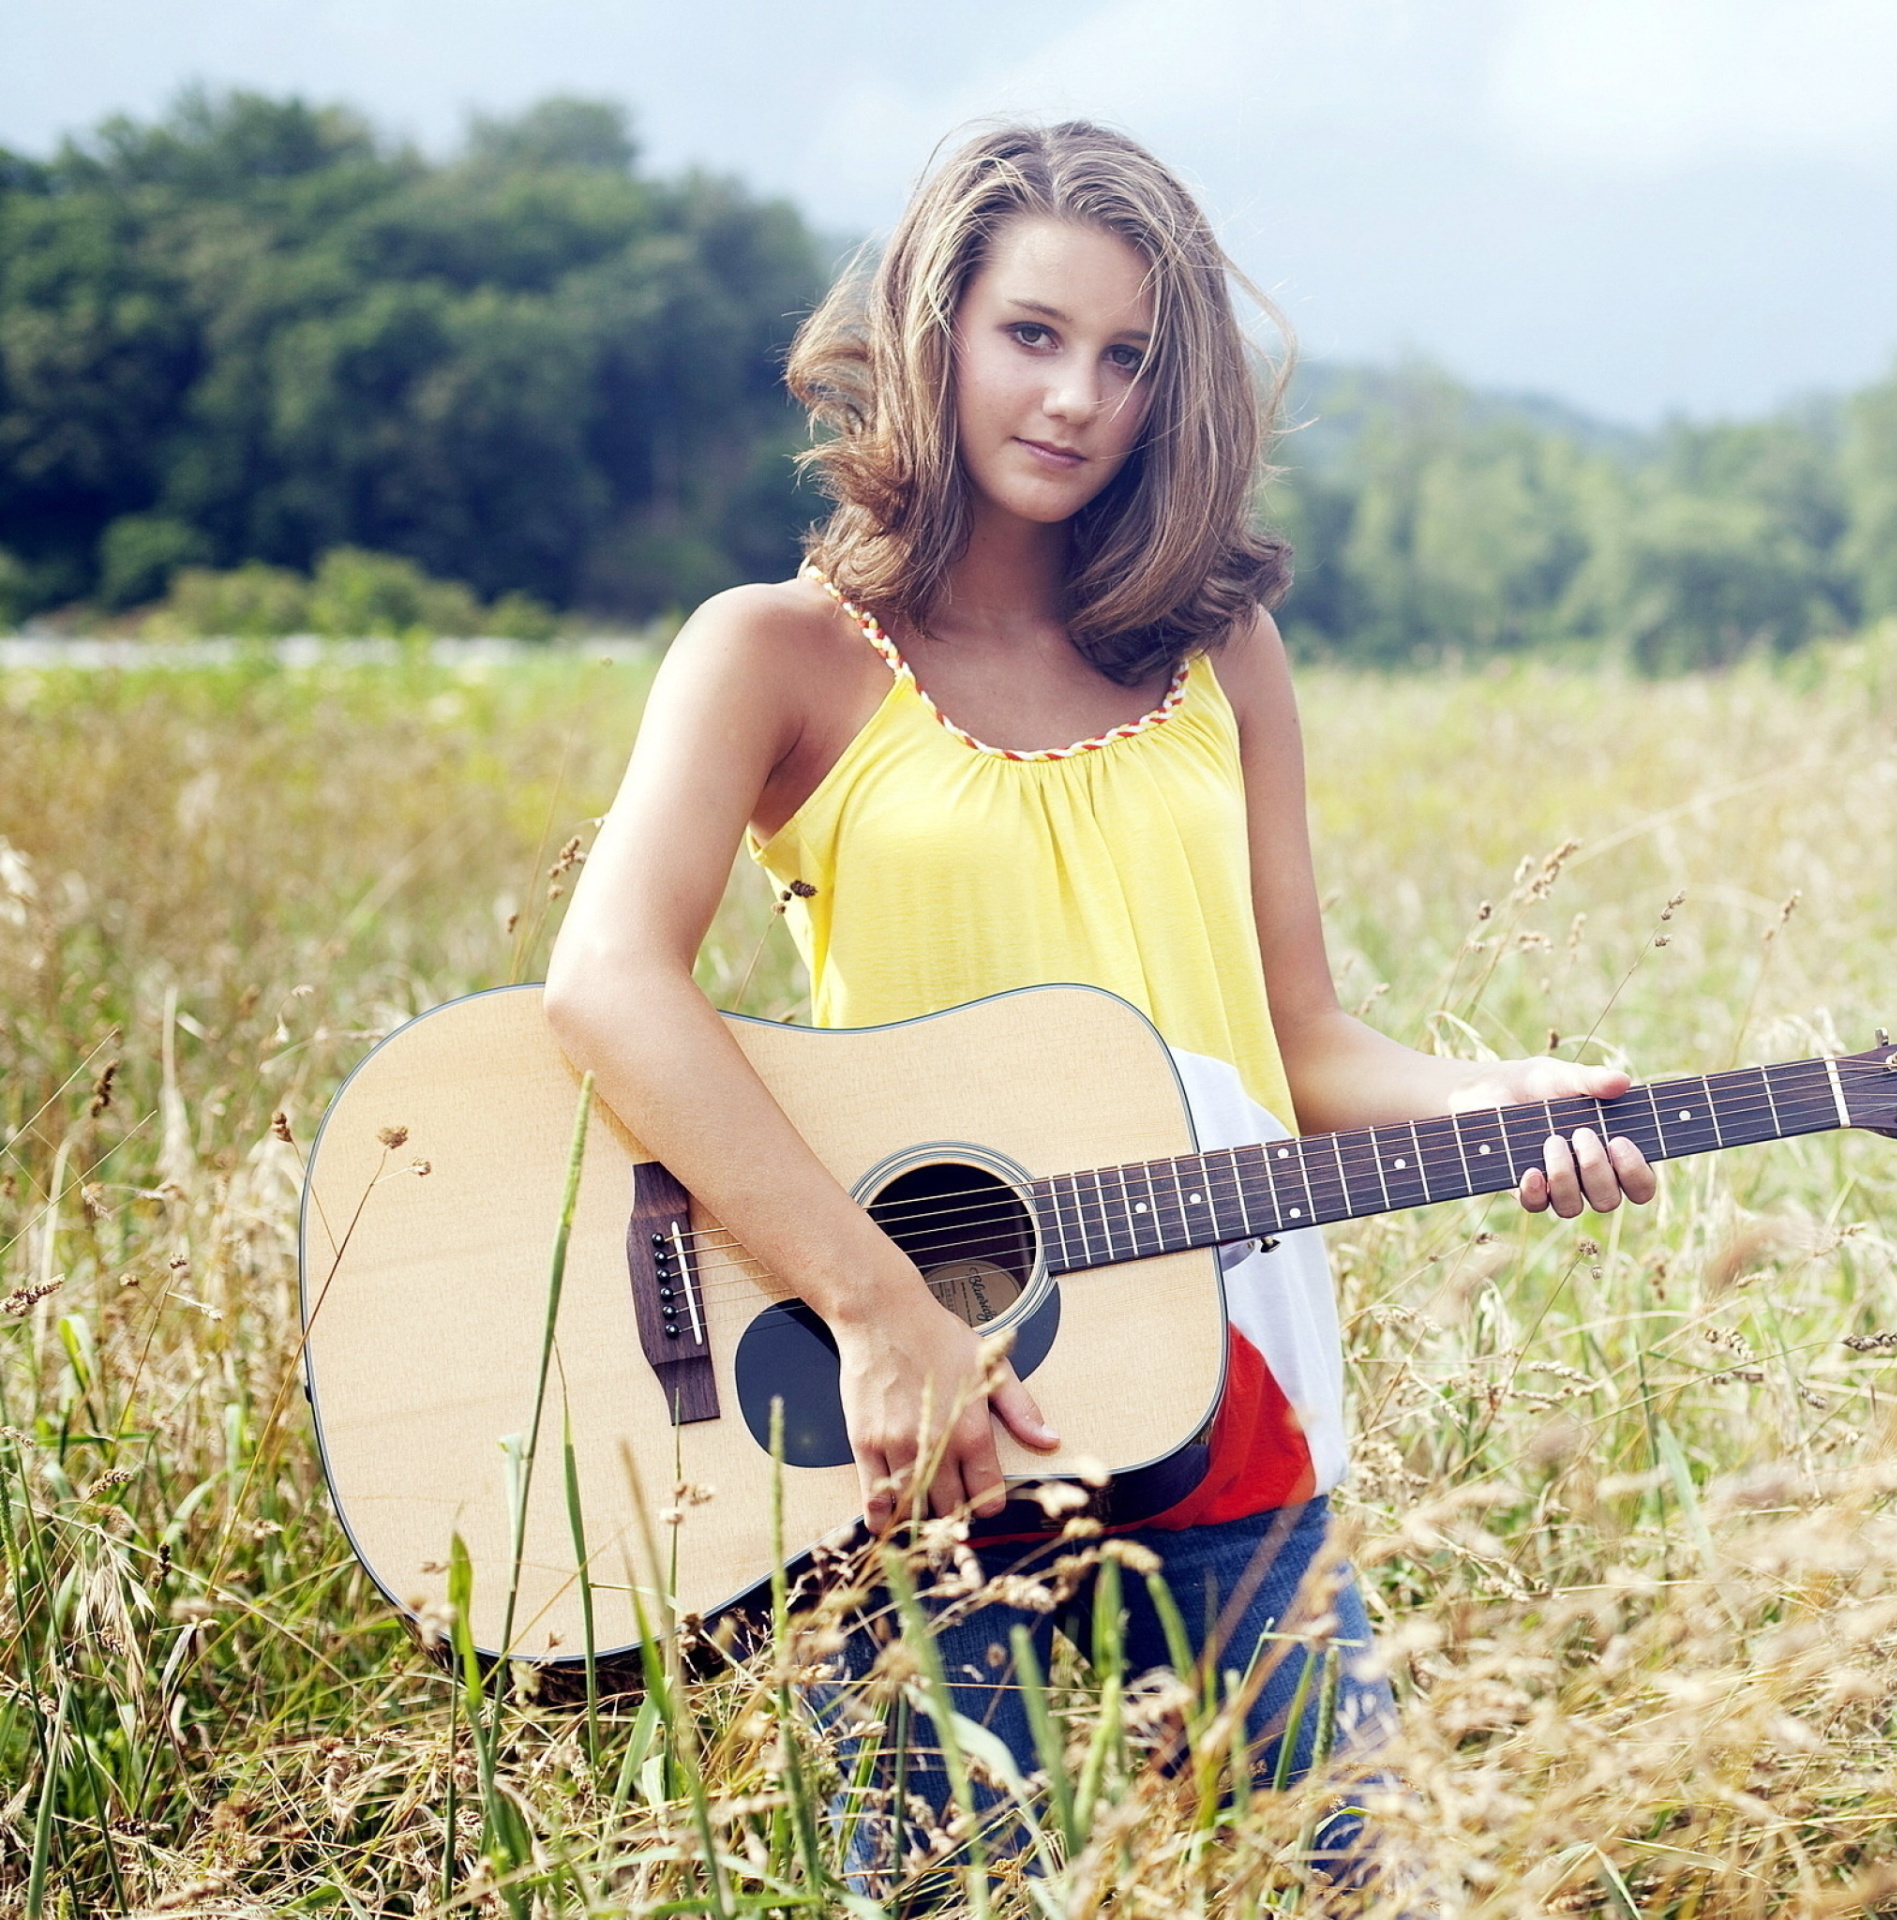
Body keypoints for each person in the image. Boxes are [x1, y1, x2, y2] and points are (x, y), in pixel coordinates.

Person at [542, 119, 1657, 1897]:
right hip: (913, 1412)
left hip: (1222, 1377)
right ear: (936, 330)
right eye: (1032, 336)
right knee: (952, 1888)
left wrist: (1505, 1097)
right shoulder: (774, 652)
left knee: (1342, 1871)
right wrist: (880, 1309)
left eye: (1127, 357)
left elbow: (1301, 1044)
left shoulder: (1219, 653)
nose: (1074, 397)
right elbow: (604, 987)